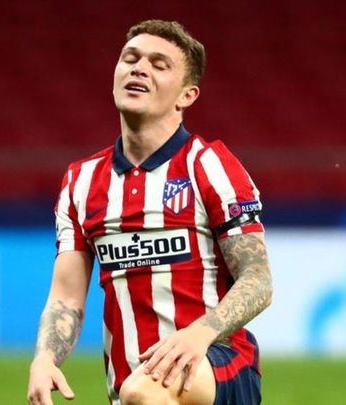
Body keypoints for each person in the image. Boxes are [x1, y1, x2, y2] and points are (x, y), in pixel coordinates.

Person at [27, 20, 273, 405]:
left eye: (159, 64)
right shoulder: (81, 181)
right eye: (131, 59)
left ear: (187, 95)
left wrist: (200, 333)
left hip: (216, 363)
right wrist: (45, 358)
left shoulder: (209, 165)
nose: (139, 68)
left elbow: (258, 280)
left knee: (143, 392)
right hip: (130, 388)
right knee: (139, 393)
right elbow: (66, 298)